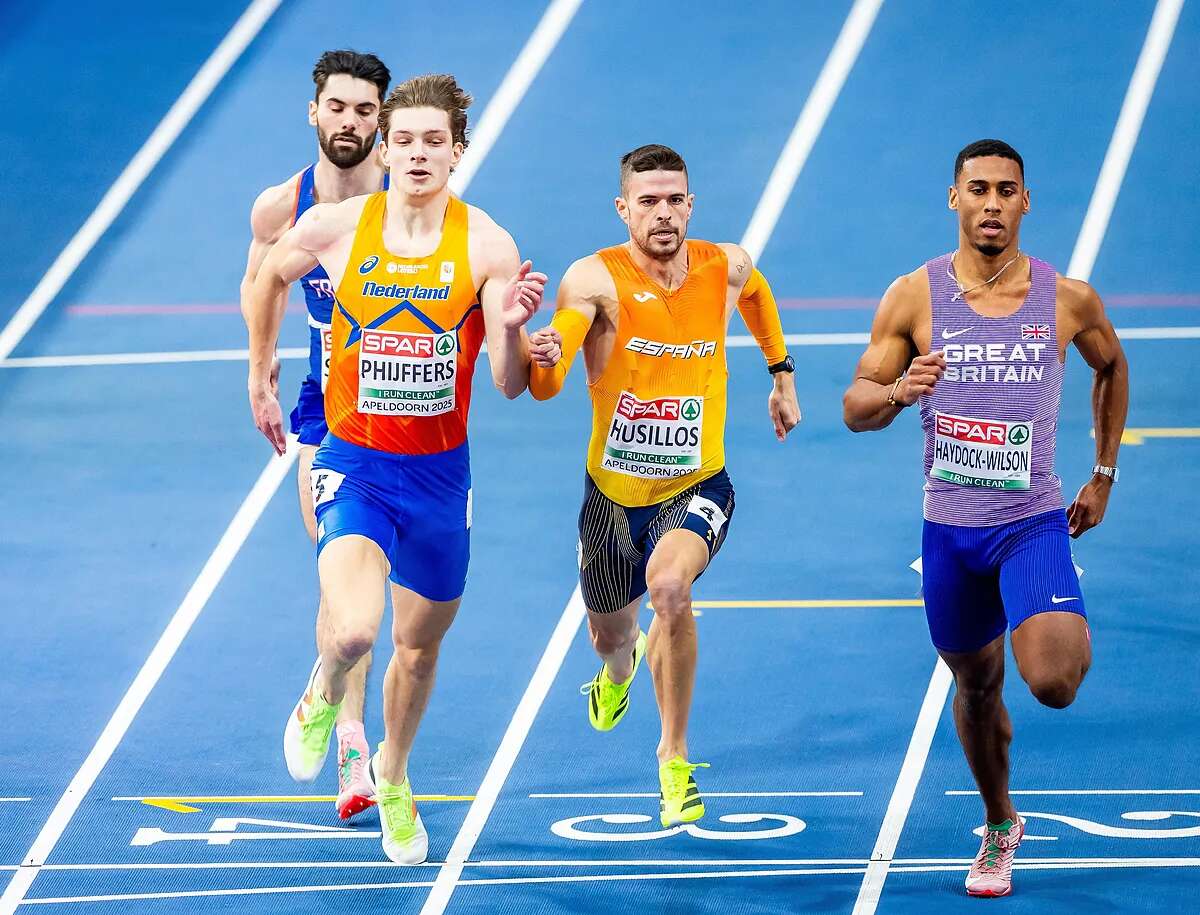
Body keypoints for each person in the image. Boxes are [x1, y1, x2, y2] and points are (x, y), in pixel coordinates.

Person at [245, 73, 546, 863]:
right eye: (403, 140)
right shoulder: (336, 227)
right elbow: (264, 278)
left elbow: (509, 384)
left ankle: (395, 770)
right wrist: (259, 364)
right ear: (387, 147)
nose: (416, 154)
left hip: (442, 478)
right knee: (352, 626)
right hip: (356, 463)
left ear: (457, 150)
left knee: (416, 650)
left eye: (432, 142)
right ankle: (321, 693)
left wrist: (510, 329)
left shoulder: (487, 244)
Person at [842, 138, 1129, 898]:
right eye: (978, 189)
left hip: (1032, 521)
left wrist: (1102, 473)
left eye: (1007, 190)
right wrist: (902, 391)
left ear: (1025, 202)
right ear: (954, 198)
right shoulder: (913, 296)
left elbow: (1111, 365)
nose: (992, 203)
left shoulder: (1067, 299)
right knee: (975, 688)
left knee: (1055, 680)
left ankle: (1047, 602)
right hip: (951, 533)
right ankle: (1001, 822)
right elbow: (854, 405)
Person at [527, 144, 800, 829]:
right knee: (609, 638)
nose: (663, 212)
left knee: (671, 587)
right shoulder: (594, 280)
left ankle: (673, 758)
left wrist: (782, 372)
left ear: (691, 204)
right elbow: (546, 382)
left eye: (675, 198)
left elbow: (757, 292)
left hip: (697, 483)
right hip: (612, 502)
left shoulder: (723, 263)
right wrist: (547, 357)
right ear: (624, 208)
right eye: (648, 200)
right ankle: (618, 675)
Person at [239, 48, 390, 821]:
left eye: (365, 111)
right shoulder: (284, 207)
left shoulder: (414, 203)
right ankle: (353, 744)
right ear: (315, 111)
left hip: (405, 415)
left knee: (375, 593)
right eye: (338, 107)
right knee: (343, 578)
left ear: (382, 121)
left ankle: (333, 699)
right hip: (326, 411)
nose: (350, 122)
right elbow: (259, 278)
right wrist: (260, 374)